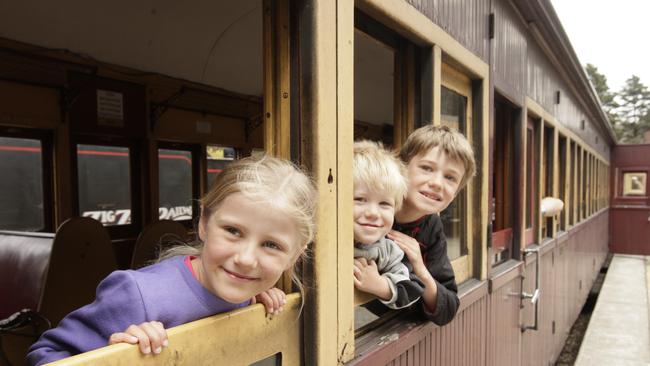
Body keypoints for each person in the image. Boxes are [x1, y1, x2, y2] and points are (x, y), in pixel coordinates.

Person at [27, 156, 317, 365]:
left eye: (271, 245)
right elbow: (45, 355)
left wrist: (255, 294)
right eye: (232, 231)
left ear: (297, 251)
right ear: (203, 222)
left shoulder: (253, 295)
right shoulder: (137, 295)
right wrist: (114, 356)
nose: (245, 259)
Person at [385, 125, 476, 326]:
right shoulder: (369, 208)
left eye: (450, 178)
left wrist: (420, 269)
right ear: (402, 168)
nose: (437, 183)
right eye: (427, 168)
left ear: (455, 193)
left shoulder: (432, 227)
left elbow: (449, 306)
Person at [352, 141, 424, 309]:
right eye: (360, 200)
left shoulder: (388, 250)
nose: (373, 213)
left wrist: (379, 285)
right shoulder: (325, 241)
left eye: (384, 204)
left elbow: (411, 289)